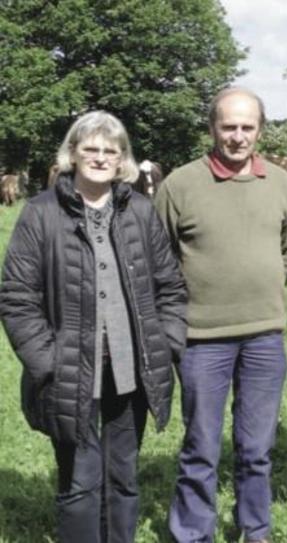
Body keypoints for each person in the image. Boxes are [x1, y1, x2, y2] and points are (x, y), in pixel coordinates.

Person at [0, 111, 188, 543]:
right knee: (80, 483)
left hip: (131, 371)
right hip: (68, 374)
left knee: (123, 478)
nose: (100, 157)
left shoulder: (139, 212)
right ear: (72, 153)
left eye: (110, 150)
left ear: (123, 159)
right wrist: (46, 362)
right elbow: (16, 297)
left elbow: (170, 287)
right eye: (91, 148)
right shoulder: (41, 213)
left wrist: (166, 342)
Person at [155, 87, 287, 543]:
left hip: (264, 337)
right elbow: (159, 258)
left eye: (247, 127)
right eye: (228, 126)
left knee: (257, 449)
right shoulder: (179, 184)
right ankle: (192, 534)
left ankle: (254, 531)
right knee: (201, 448)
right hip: (201, 338)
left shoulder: (280, 182)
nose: (238, 137)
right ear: (212, 127)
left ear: (260, 129)